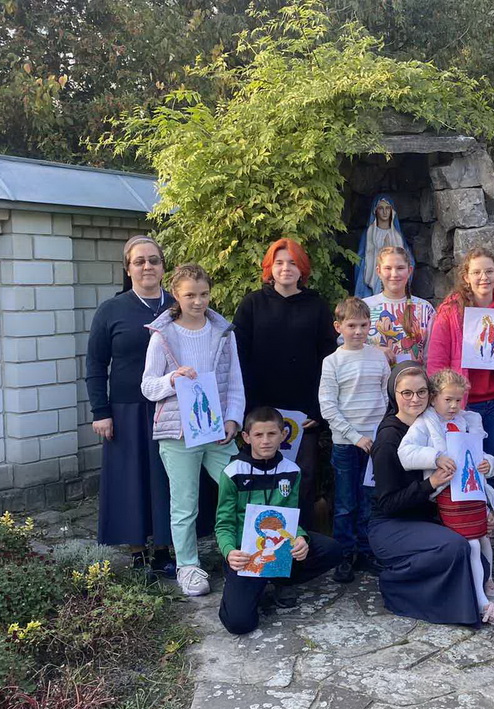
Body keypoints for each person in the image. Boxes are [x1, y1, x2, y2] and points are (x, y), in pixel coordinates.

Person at [141, 264, 245, 597]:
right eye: (190, 295)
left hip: (216, 431)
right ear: (176, 294)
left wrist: (233, 419)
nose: (198, 301)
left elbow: (235, 381)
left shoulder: (222, 332)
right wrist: (172, 380)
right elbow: (147, 386)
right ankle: (187, 566)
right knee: (185, 504)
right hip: (178, 433)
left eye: (203, 294)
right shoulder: (163, 336)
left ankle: (242, 555)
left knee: (239, 487)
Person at [369, 362, 487, 627]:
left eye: (421, 392)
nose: (415, 399)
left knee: (477, 556)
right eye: (406, 393)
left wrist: (482, 511)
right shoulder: (389, 439)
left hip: (429, 517)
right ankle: (397, 586)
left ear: (431, 394)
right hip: (392, 524)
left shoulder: (438, 425)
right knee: (456, 549)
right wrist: (430, 483)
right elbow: (388, 504)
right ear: (394, 395)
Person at [233, 238, 337, 532]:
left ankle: (299, 543)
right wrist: (248, 409)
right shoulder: (252, 304)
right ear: (270, 267)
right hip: (262, 411)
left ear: (302, 268)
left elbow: (328, 359)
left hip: (304, 414)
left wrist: (319, 409)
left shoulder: (317, 306)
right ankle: (260, 544)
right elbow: (239, 358)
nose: (285, 268)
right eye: (279, 262)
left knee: (302, 478)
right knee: (263, 479)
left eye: (292, 262)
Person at [86, 236, 176, 579]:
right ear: (128, 269)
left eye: (154, 260)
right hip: (126, 409)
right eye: (139, 261)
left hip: (170, 407)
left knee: (165, 479)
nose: (147, 266)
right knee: (131, 481)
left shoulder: (177, 306)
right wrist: (101, 411)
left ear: (163, 266)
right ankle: (137, 550)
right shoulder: (111, 310)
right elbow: (96, 364)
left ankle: (164, 550)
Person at [397, 369, 494, 627]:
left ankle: (487, 580)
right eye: (447, 399)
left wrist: (489, 464)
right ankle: (481, 603)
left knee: (483, 537)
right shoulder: (425, 423)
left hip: (472, 490)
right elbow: (405, 452)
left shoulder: (468, 420)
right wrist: (435, 458)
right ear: (434, 397)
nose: (453, 406)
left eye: (458, 400)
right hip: (449, 493)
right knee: (470, 543)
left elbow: (480, 454)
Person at [215, 407, 341, 635]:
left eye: (272, 434)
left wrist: (300, 538)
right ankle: (242, 581)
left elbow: (291, 515)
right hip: (246, 553)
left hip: (278, 547)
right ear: (246, 437)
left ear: (283, 435)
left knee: (331, 549)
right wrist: (229, 551)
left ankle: (283, 581)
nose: (265, 441)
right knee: (239, 624)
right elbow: (224, 523)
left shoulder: (291, 471)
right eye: (258, 435)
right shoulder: (232, 472)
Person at [426, 248, 494, 462]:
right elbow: (436, 361)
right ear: (466, 277)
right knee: (461, 462)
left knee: (488, 463)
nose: (484, 277)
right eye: (477, 272)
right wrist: (440, 398)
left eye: (489, 271)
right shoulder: (450, 310)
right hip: (461, 402)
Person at [318, 296, 391, 583]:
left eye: (363, 325)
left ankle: (366, 551)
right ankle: (345, 554)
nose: (358, 331)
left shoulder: (378, 357)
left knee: (369, 500)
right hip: (346, 443)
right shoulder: (332, 362)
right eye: (351, 326)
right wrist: (354, 436)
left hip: (374, 442)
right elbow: (328, 406)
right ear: (339, 327)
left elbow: (387, 396)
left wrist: (381, 434)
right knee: (346, 502)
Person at [363, 245, 436, 364]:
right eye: (388, 268)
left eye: (400, 268)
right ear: (378, 271)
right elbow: (345, 344)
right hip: (372, 374)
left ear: (409, 271)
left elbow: (433, 354)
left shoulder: (425, 309)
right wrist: (372, 350)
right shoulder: (364, 307)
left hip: (415, 374)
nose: (394, 274)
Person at [354, 195, 412, 298]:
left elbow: (407, 257)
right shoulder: (369, 233)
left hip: (393, 273)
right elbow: (361, 258)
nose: (385, 212)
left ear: (392, 211)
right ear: (375, 211)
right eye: (381, 208)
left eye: (387, 208)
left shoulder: (397, 235)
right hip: (373, 273)